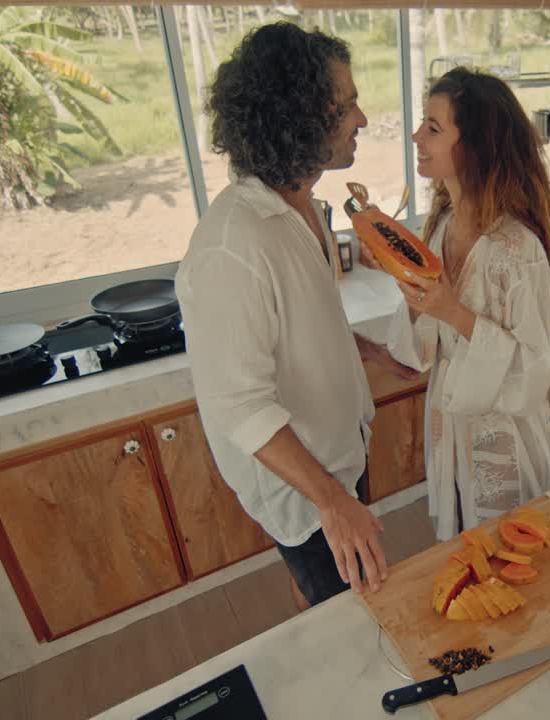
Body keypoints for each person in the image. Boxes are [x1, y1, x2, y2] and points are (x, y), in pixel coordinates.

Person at [176, 23, 394, 609]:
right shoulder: (231, 248)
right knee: (352, 613)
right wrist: (330, 500)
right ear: (297, 119)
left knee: (343, 600)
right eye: (345, 106)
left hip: (340, 451)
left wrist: (345, 345)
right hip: (305, 489)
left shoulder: (302, 208)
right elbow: (237, 403)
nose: (362, 119)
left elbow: (287, 323)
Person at [371, 67, 550, 541]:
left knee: (511, 558)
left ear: (475, 145)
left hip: (505, 446)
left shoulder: (517, 250)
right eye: (423, 123)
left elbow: (534, 371)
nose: (417, 136)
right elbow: (421, 352)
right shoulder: (440, 227)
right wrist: (417, 303)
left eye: (433, 128)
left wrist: (451, 311)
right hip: (450, 431)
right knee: (463, 545)